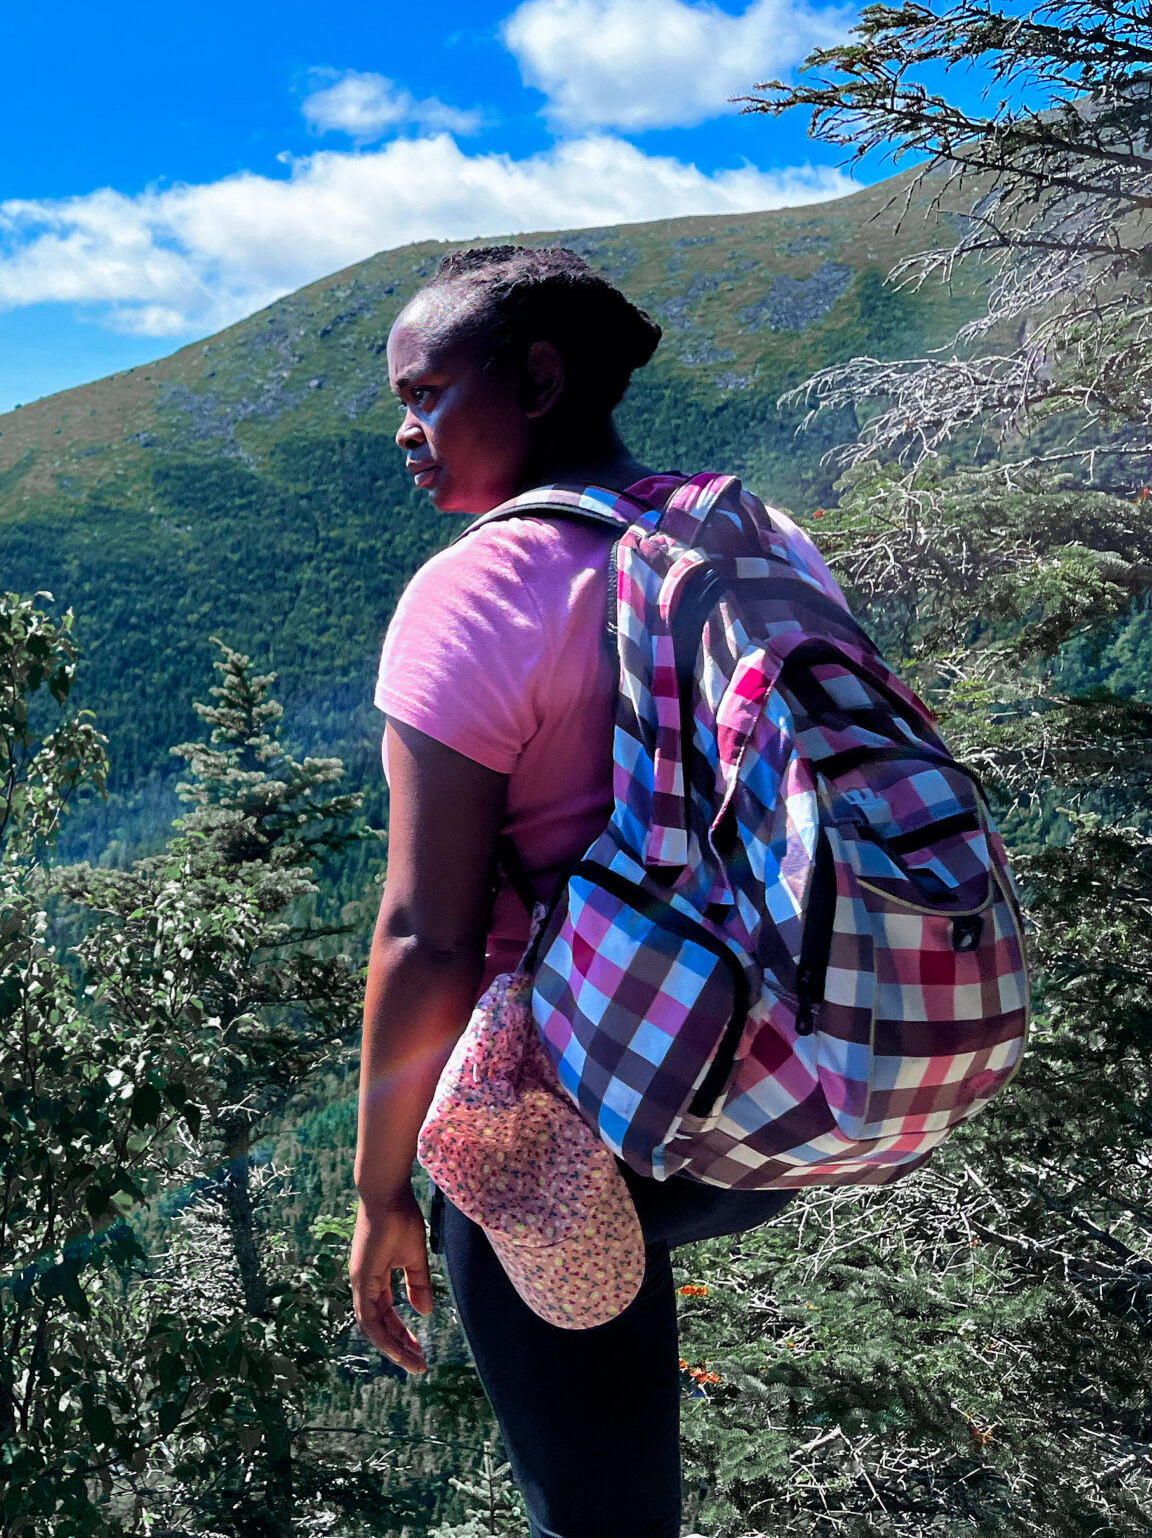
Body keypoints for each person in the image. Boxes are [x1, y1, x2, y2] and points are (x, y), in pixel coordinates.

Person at [348, 245, 830, 1538]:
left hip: (601, 1107)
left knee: (603, 1516)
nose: (406, 431)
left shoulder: (476, 593)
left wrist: (383, 1192)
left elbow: (428, 938)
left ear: (542, 376)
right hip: (791, 1078)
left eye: (428, 393)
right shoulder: (755, 535)